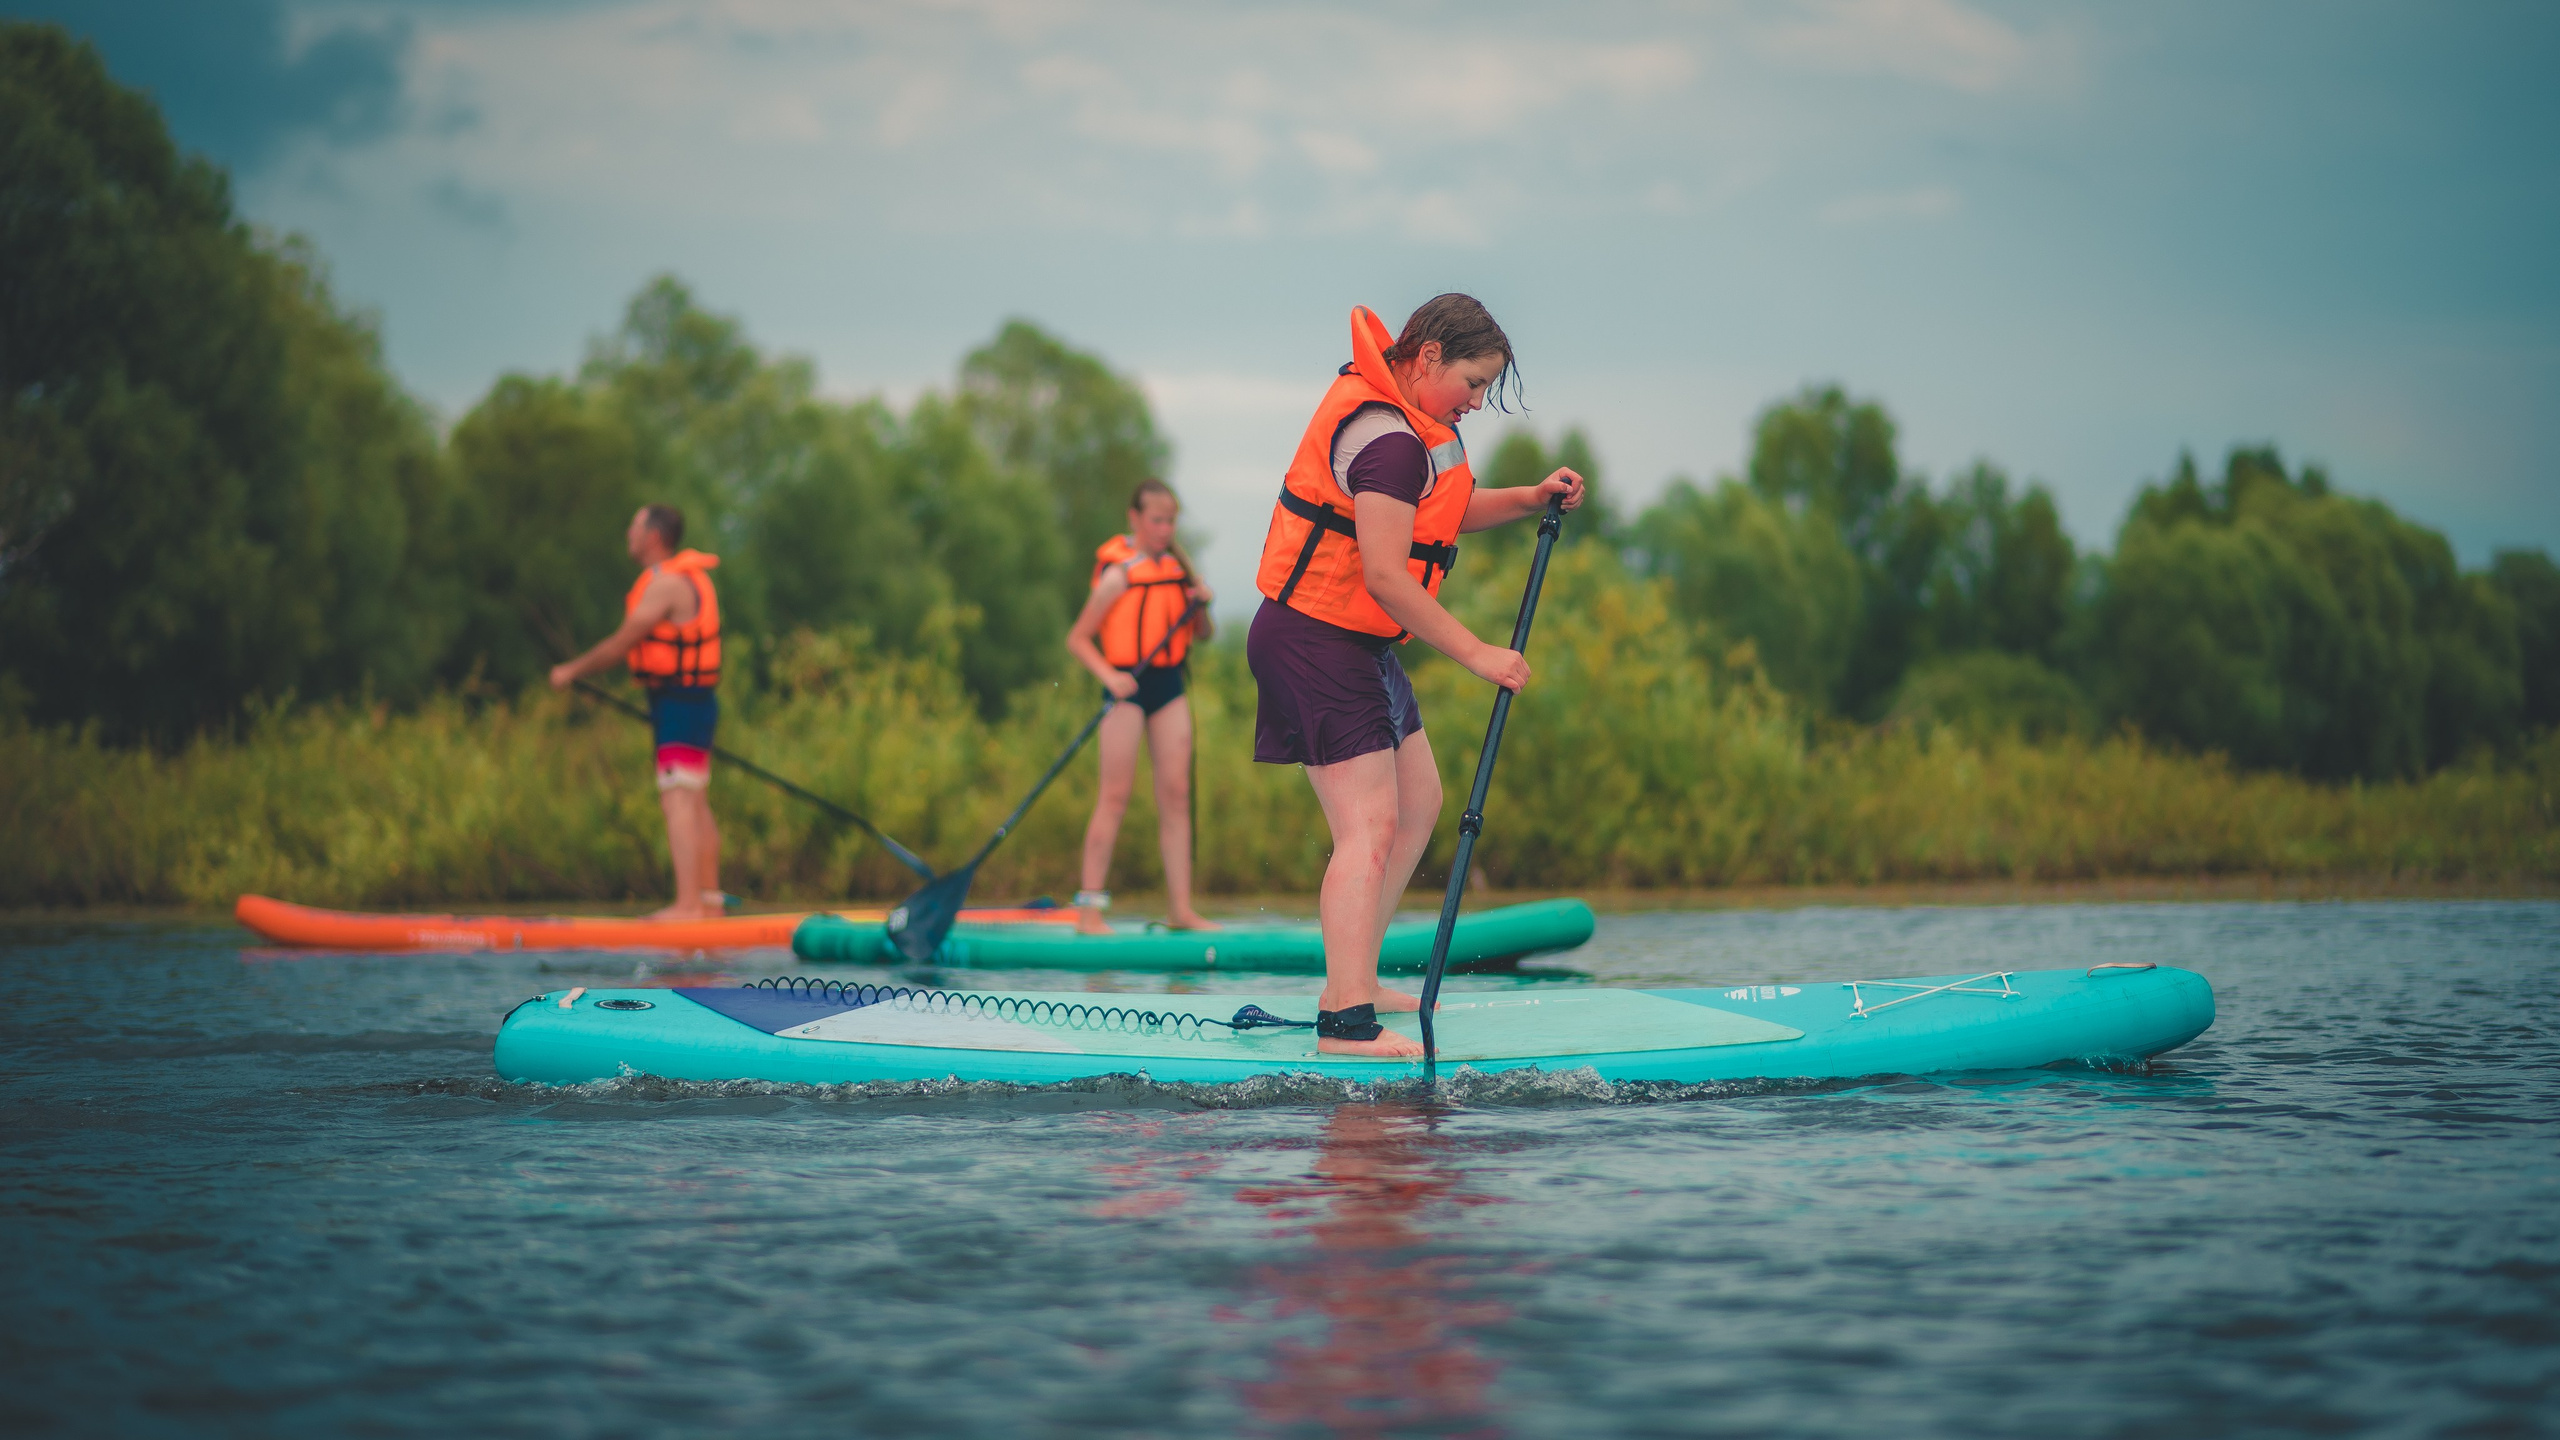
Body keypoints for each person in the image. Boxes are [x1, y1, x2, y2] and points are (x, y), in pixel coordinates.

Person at [1247, 296, 1583, 1056]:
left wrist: (1530, 498)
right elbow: (1389, 576)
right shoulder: (1390, 442)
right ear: (1426, 356)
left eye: (1487, 388)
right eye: (1472, 381)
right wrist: (1480, 654)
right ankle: (1344, 1023)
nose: (1478, 401)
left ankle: (1353, 979)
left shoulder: (1419, 434)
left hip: (1354, 641)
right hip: (1313, 638)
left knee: (1419, 801)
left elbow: (1437, 516)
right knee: (1365, 828)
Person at [549, 505, 727, 921]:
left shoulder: (667, 584)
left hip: (681, 704)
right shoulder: (683, 578)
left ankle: (687, 907)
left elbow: (620, 644)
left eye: (633, 526)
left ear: (653, 536)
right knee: (694, 798)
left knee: (678, 799)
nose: (628, 533)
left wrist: (570, 671)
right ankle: (708, 905)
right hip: (692, 702)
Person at [1064, 480, 1222, 934]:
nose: (1164, 528)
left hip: (1168, 685)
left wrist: (1201, 607)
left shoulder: (1180, 572)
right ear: (1134, 519)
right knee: (1113, 796)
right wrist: (1110, 677)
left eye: (1171, 520)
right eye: (1156, 519)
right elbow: (1078, 638)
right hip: (1125, 688)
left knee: (1175, 795)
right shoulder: (1118, 575)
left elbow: (1205, 635)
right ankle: (1090, 911)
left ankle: (1181, 910)